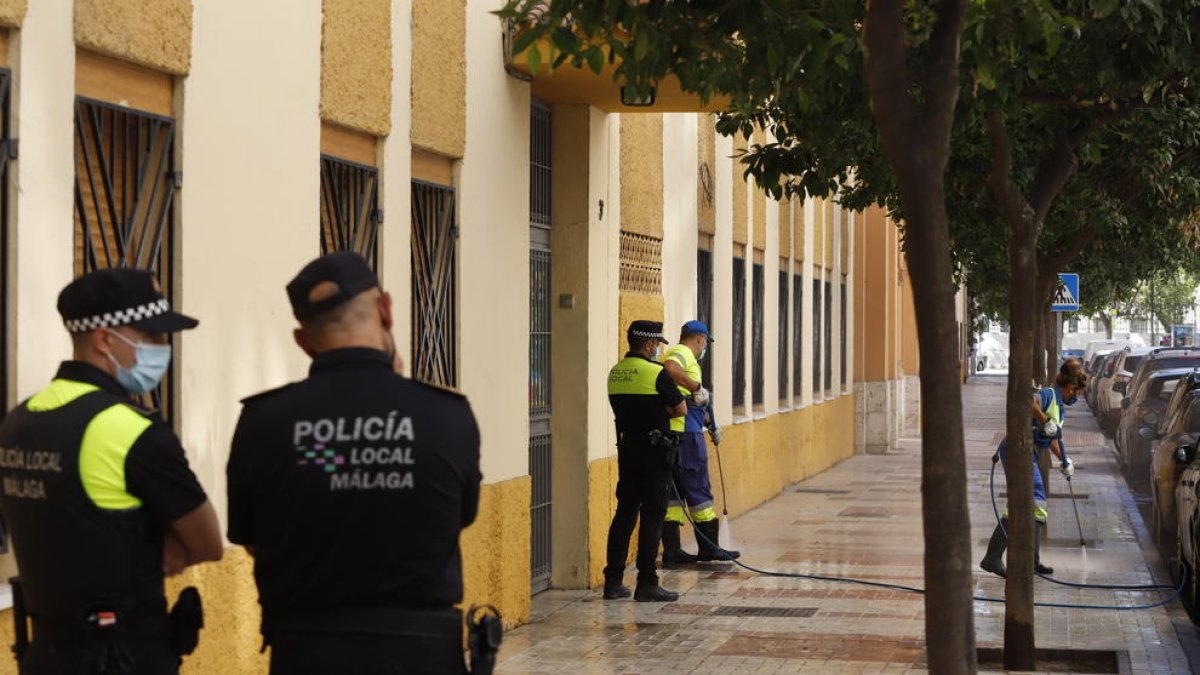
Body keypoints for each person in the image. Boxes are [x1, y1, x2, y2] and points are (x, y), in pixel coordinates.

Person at [226, 252, 483, 675]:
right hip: (422, 655)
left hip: (306, 653)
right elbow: (459, 516)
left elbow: (253, 539)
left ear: (302, 340)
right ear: (385, 309)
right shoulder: (446, 415)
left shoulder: (264, 421)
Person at [0, 268, 222, 675]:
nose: (163, 347)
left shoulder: (19, 421)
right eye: (151, 337)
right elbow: (208, 542)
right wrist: (158, 541)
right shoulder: (130, 429)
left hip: (44, 654)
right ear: (104, 339)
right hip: (122, 656)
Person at [980, 359, 1087, 578]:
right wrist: (1044, 419)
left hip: (1026, 453)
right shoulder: (1048, 395)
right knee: (1036, 498)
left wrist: (1065, 462)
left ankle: (1029, 561)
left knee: (1026, 502)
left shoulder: (1060, 409)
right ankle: (995, 558)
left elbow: (1054, 438)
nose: (1076, 397)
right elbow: (1028, 401)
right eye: (1076, 392)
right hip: (1017, 451)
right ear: (1069, 386)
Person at [604, 320, 687, 602]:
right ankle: (647, 582)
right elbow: (680, 408)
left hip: (628, 450)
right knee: (653, 514)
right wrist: (658, 409)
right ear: (650, 344)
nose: (657, 351)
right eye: (656, 345)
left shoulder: (615, 373)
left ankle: (613, 581)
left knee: (625, 513)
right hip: (655, 453)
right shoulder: (656, 373)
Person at [660, 320, 739, 565]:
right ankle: (709, 548)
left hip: (679, 432)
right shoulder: (681, 352)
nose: (705, 346)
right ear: (699, 338)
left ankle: (672, 551)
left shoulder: (687, 359)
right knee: (698, 488)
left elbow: (692, 403)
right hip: (686, 436)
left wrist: (711, 424)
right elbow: (670, 369)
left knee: (673, 494)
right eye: (705, 341)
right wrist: (696, 386)